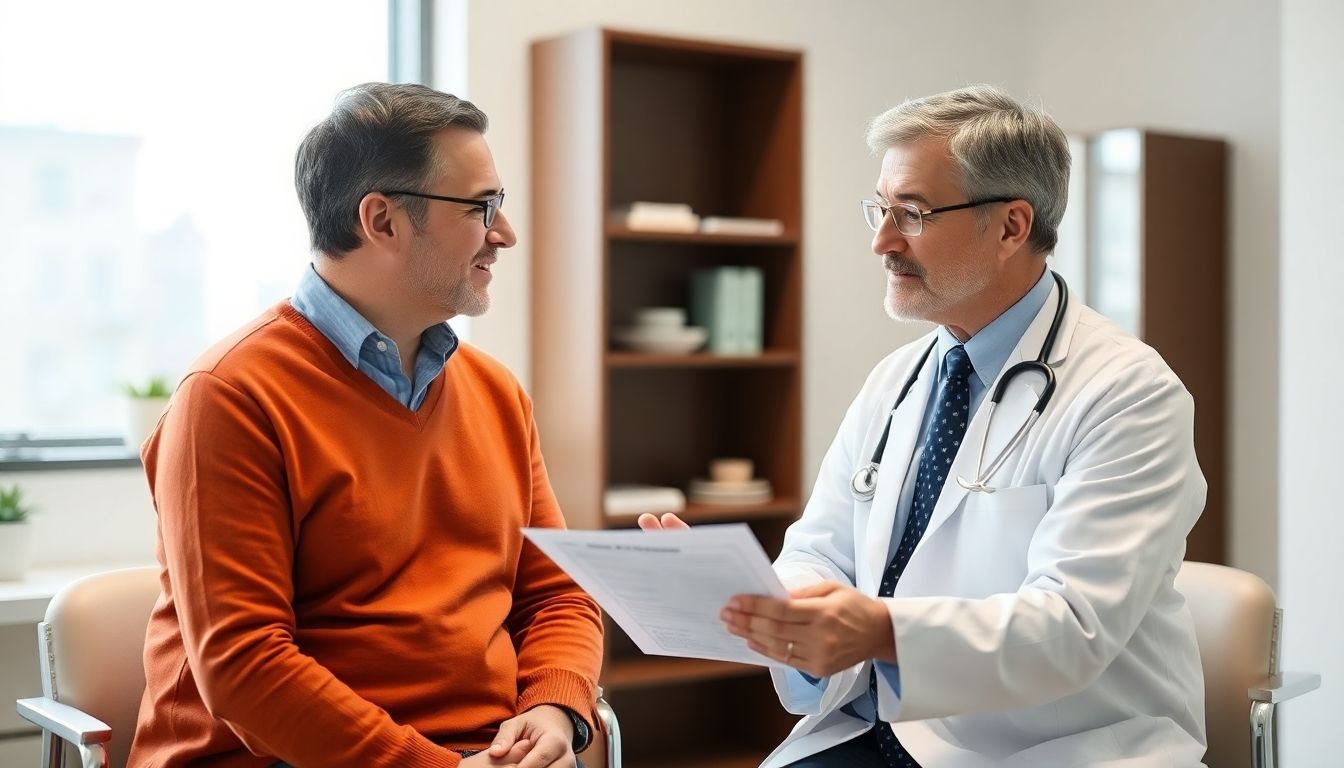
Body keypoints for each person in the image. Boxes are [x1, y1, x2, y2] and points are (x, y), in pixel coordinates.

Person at [641, 85, 1207, 767]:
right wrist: (761, 600)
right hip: (876, 728)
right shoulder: (900, 378)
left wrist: (880, 631)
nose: (882, 241)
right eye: (880, 209)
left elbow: (1070, 629)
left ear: (1011, 227)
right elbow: (822, 551)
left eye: (910, 214)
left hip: (1053, 745)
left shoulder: (1129, 395)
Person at [129, 83, 603, 768]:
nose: (505, 233)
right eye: (481, 207)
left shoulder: (497, 394)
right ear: (381, 221)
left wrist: (553, 708)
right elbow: (245, 667)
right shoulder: (229, 397)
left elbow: (557, 592)